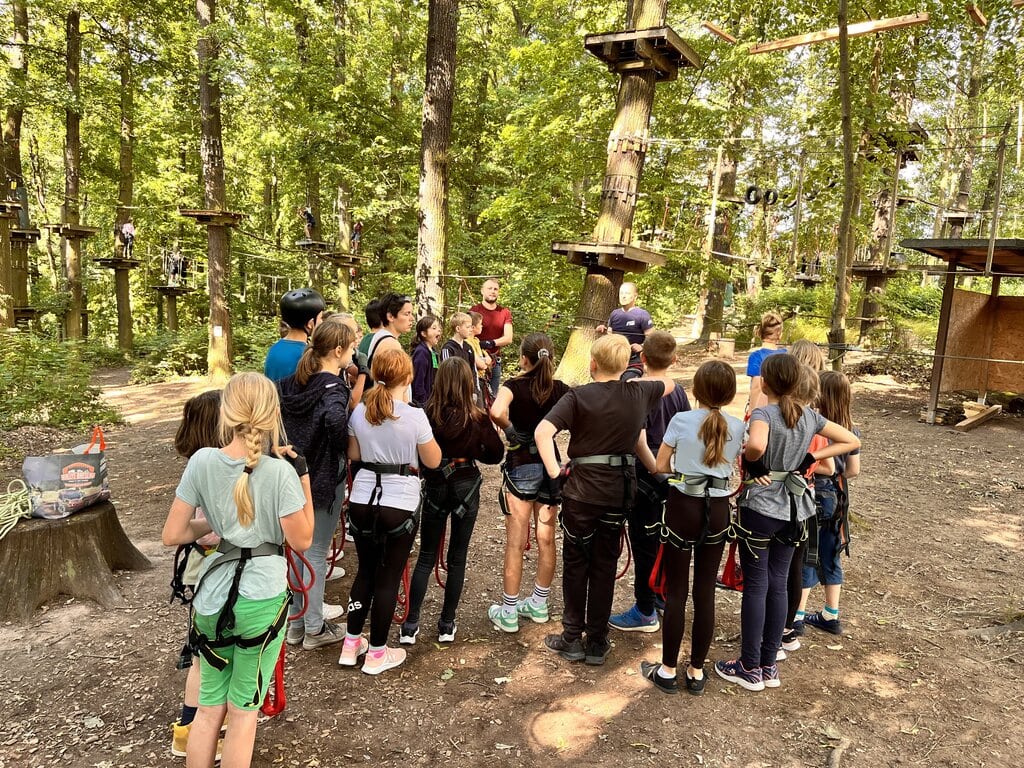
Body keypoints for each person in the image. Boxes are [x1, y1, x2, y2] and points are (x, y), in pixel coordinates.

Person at [162, 372, 313, 768]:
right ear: (272, 414)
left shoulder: (202, 461)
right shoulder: (281, 472)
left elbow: (173, 533)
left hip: (212, 596)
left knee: (209, 709)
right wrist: (305, 480)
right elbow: (301, 540)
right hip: (260, 598)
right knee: (244, 711)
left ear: (226, 413)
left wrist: (216, 526)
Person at [715, 354, 859, 692]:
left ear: (765, 384)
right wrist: (813, 457)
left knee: (756, 586)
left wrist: (754, 462)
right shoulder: (810, 416)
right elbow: (851, 441)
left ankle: (749, 665)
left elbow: (756, 445)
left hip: (761, 509)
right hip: (796, 510)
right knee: (779, 583)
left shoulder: (765, 413)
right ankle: (769, 663)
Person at [535, 334, 676, 666]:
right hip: (617, 492)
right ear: (626, 364)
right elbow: (668, 382)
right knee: (604, 563)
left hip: (581, 491)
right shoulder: (640, 391)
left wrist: (555, 471)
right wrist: (637, 369)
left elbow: (543, 432)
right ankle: (597, 640)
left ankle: (572, 638)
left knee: (576, 562)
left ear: (592, 363)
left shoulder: (578, 396)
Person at [640, 360, 744, 695]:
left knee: (675, 591)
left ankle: (668, 669)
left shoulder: (681, 420)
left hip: (683, 507)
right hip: (717, 510)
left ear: (696, 391)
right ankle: (696, 670)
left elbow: (659, 464)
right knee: (704, 592)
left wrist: (680, 472)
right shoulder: (737, 426)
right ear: (729, 394)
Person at [341, 349, 441, 674]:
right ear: (408, 377)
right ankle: (378, 652)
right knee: (388, 577)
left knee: (365, 572)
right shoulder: (414, 416)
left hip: (361, 499)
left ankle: (351, 642)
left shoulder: (359, 412)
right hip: (400, 501)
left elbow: (354, 453)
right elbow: (433, 461)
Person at [401, 358, 503, 645]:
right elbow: (495, 455)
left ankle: (410, 625)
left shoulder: (425, 415)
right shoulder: (478, 417)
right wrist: (474, 449)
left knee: (425, 557)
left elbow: (417, 453)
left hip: (435, 484)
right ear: (467, 383)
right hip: (465, 485)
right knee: (457, 558)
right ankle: (447, 624)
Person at [278, 317, 356, 649]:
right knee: (317, 550)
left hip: (289, 473)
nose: (355, 352)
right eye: (352, 347)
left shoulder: (293, 382)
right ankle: (314, 627)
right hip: (322, 478)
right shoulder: (333, 387)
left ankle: (296, 623)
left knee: (296, 549)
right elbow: (336, 420)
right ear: (338, 350)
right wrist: (343, 446)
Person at [486, 333, 569, 633]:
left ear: (524, 358)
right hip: (550, 465)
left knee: (516, 540)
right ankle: (538, 603)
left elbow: (495, 411)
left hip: (521, 464)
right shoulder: (560, 389)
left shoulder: (513, 386)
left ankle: (508, 610)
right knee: (546, 538)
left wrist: (509, 429)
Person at [610, 330, 691, 633]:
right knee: (663, 540)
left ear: (642, 358)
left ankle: (645, 609)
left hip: (646, 474)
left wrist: (657, 472)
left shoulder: (635, 390)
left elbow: (637, 440)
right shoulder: (679, 392)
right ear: (674, 359)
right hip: (672, 475)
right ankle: (659, 596)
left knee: (645, 542)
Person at [170, 390, 223, 759]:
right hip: (215, 569)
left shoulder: (197, 466)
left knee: (201, 654)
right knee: (211, 657)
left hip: (202, 569)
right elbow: (205, 528)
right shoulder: (213, 468)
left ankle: (189, 730)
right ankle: (202, 732)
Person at [797, 371, 861, 638]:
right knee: (830, 553)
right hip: (838, 500)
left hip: (816, 496)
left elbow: (829, 466)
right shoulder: (851, 429)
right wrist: (838, 476)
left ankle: (797, 616)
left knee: (807, 555)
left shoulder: (817, 426)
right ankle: (830, 614)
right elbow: (853, 470)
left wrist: (814, 465)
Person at [595, 282, 654, 380]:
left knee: (625, 385)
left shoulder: (642, 314)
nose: (623, 296)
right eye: (621, 293)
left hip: (633, 362)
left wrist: (641, 346)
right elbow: (610, 335)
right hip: (615, 361)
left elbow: (651, 337)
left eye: (627, 293)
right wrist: (603, 330)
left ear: (635, 296)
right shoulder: (615, 314)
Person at [264, 289, 326, 382]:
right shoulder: (307, 355)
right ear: (310, 324)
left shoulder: (275, 348)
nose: (322, 322)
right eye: (321, 318)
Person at [470, 278, 513, 397]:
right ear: (482, 291)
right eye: (489, 288)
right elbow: (468, 335)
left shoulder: (504, 312)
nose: (493, 291)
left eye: (495, 289)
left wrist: (490, 343)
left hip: (495, 361)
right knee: (476, 397)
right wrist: (479, 348)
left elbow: (508, 337)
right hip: (477, 360)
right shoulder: (474, 311)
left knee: (493, 397)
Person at [746, 311, 785, 413]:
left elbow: (756, 388)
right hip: (784, 407)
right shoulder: (787, 354)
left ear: (761, 333)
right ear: (779, 334)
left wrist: (751, 412)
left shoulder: (756, 356)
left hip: (763, 409)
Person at [411, 315, 441, 406]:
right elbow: (418, 381)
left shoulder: (433, 352)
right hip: (423, 403)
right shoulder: (421, 352)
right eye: (434, 328)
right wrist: (424, 403)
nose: (439, 330)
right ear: (424, 333)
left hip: (432, 401)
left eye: (439, 327)